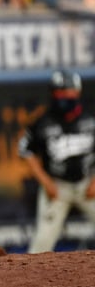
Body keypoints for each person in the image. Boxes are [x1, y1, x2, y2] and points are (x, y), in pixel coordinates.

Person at [18, 70, 95, 254]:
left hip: (88, 184)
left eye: (66, 90)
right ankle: (28, 281)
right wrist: (46, 182)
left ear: (76, 92)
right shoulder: (42, 121)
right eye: (57, 91)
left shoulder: (90, 118)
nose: (62, 95)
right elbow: (25, 150)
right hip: (57, 187)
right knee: (41, 245)